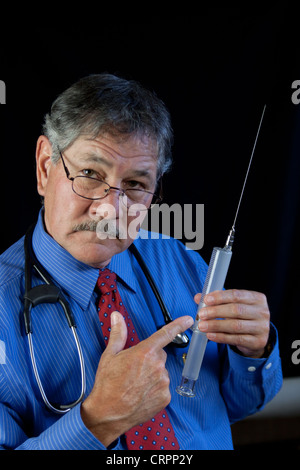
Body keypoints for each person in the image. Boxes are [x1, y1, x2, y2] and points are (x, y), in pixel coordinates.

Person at [0, 74, 282, 450]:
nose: (110, 209)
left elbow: (236, 405)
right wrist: (96, 422)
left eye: (134, 184)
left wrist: (254, 351)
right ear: (45, 166)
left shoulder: (181, 263)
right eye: (89, 174)